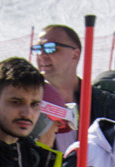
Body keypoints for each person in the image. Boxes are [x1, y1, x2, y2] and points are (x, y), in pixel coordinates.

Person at [33, 24, 83, 152]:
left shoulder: (103, 104)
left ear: (75, 55)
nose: (42, 55)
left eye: (51, 48)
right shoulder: (28, 103)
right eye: (38, 49)